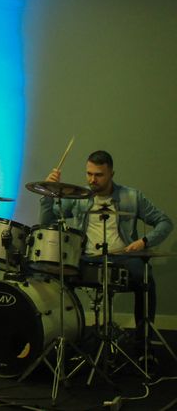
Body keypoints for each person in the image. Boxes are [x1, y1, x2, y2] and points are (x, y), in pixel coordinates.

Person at [40, 150, 172, 353]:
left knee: (145, 278)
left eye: (99, 175)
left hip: (123, 258)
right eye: (89, 174)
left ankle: (143, 345)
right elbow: (46, 221)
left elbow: (165, 222)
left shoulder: (131, 197)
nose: (92, 179)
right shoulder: (78, 197)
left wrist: (144, 242)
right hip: (87, 257)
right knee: (57, 276)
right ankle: (67, 340)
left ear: (111, 174)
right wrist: (48, 194)